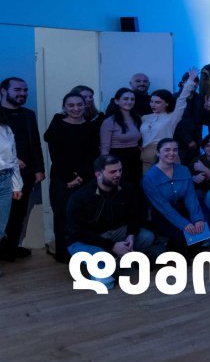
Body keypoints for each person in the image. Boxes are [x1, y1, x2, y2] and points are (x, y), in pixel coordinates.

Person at [66, 155, 156, 287]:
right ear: (98, 174)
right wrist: (111, 246)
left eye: (120, 170)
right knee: (106, 283)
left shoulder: (126, 189)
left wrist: (131, 235)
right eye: (112, 172)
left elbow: (135, 216)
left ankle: (119, 258)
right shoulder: (80, 197)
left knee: (146, 236)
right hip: (86, 239)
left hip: (114, 233)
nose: (118, 175)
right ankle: (108, 263)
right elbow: (78, 231)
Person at [44, 92, 101, 262]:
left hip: (86, 179)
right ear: (64, 107)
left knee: (85, 217)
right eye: (71, 105)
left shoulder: (91, 127)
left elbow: (93, 155)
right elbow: (56, 156)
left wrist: (81, 177)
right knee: (62, 216)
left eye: (79, 104)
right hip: (61, 179)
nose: (76, 108)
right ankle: (63, 254)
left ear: (85, 106)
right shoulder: (57, 126)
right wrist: (69, 178)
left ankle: (82, 252)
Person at [0, 77, 44, 262]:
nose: (23, 94)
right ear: (3, 91)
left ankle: (11, 247)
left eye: (25, 90)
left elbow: (35, 143)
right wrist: (12, 161)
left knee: (19, 213)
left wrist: (38, 169)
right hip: (4, 172)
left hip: (25, 174)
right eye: (17, 90)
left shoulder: (28, 114)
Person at [142, 139, 210, 250]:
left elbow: (190, 197)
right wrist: (184, 224)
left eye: (175, 150)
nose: (172, 153)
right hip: (162, 213)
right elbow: (163, 206)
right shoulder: (149, 178)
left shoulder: (184, 170)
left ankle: (195, 248)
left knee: (206, 222)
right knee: (181, 236)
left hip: (182, 206)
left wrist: (197, 219)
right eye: (167, 150)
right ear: (158, 153)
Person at [140, 69, 199, 173]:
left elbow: (182, 99)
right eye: (152, 102)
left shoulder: (172, 117)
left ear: (167, 103)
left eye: (157, 102)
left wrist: (190, 81)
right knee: (147, 182)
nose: (153, 105)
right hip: (146, 159)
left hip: (166, 157)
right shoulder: (145, 117)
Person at [99, 87, 143, 187]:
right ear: (116, 101)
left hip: (136, 158)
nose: (129, 102)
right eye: (125, 99)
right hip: (117, 159)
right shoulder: (109, 122)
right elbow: (105, 148)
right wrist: (106, 166)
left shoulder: (138, 118)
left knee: (136, 187)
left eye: (132, 99)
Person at [0, 110, 25, 276]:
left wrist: (17, 185)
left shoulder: (5, 128)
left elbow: (13, 158)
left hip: (5, 179)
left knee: (0, 227)